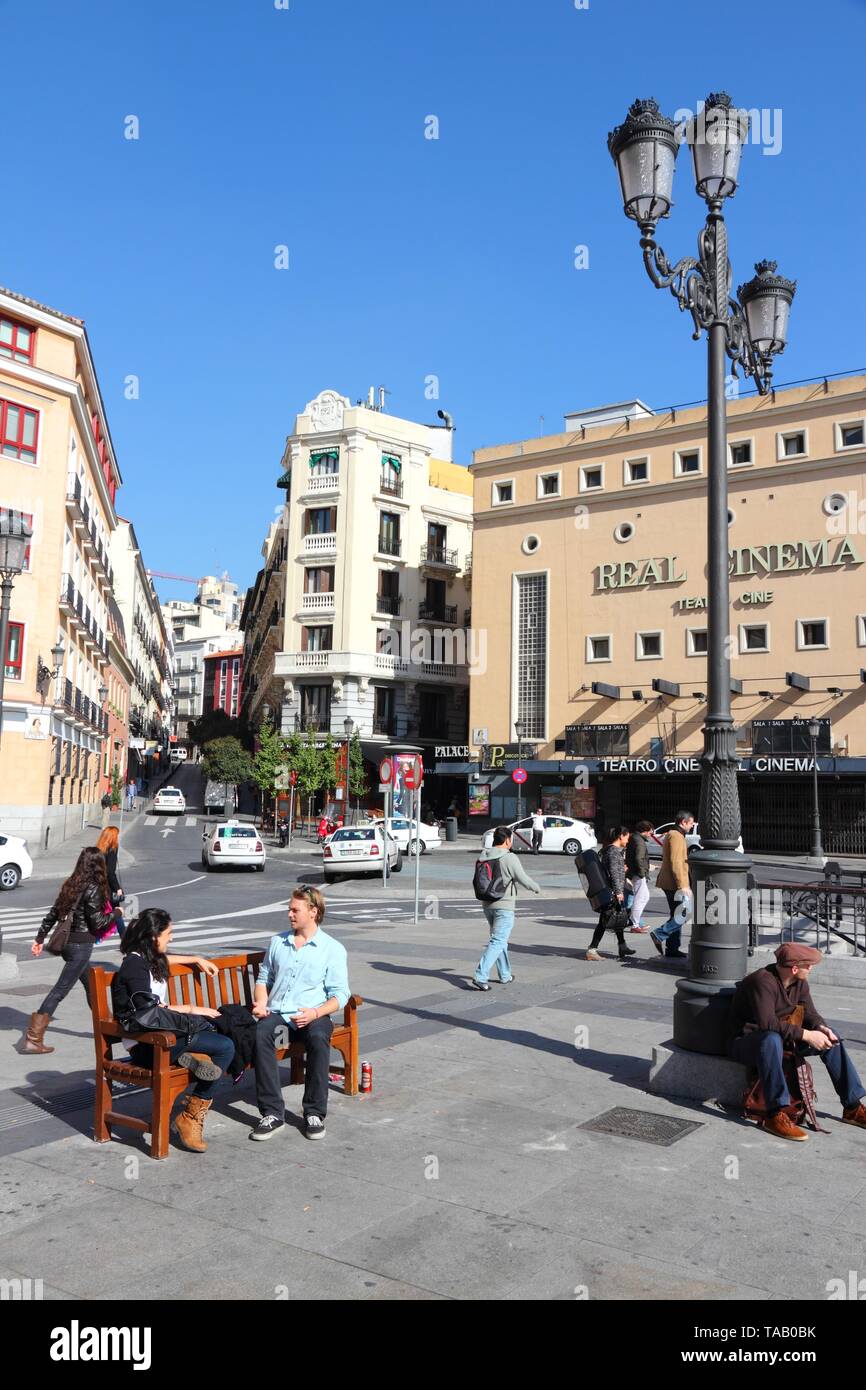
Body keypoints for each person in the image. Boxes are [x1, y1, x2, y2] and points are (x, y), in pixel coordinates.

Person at [112, 909, 233, 1153]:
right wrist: (192, 1010)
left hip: (164, 1037)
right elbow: (148, 1012)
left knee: (224, 1042)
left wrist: (195, 958)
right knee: (225, 1047)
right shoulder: (134, 966)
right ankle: (189, 1117)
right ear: (153, 936)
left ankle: (189, 1061)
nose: (171, 938)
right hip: (146, 1045)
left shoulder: (148, 957)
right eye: (169, 934)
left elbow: (166, 962)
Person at [727, 942, 866, 1142]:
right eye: (808, 965)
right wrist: (807, 1035)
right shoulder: (762, 982)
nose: (811, 969)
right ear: (794, 968)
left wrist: (820, 1028)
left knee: (831, 1036)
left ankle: (852, 1107)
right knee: (771, 1039)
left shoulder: (799, 982)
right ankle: (775, 1114)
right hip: (747, 1043)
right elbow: (767, 1024)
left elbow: (810, 1013)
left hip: (781, 1039)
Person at [249, 886, 349, 1142]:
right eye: (289, 909)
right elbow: (263, 978)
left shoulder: (332, 948)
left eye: (295, 910)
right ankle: (272, 1113)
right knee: (260, 1033)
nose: (289, 914)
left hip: (313, 1014)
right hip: (279, 1012)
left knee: (317, 1038)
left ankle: (314, 1113)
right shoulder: (278, 942)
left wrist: (316, 1012)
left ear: (313, 912)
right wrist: (261, 1003)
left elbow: (341, 995)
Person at [22, 848, 122, 1054]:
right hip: (80, 946)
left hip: (68, 945)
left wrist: (40, 938)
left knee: (91, 987)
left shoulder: (72, 884)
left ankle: (110, 1030)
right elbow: (97, 923)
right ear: (98, 866)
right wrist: (117, 912)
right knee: (60, 990)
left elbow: (52, 913)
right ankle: (33, 1037)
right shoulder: (94, 887)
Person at [469, 826, 541, 990]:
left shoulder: (484, 856)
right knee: (498, 940)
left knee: (500, 940)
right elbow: (522, 878)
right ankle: (481, 975)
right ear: (507, 840)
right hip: (504, 905)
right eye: (511, 839)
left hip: (487, 904)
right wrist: (537, 887)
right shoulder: (509, 857)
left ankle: (505, 975)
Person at [586, 826, 637, 962]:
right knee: (605, 921)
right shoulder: (614, 852)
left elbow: (614, 871)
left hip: (612, 890)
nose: (627, 840)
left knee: (617, 916)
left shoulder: (610, 851)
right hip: (614, 891)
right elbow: (614, 873)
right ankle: (592, 949)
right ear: (621, 836)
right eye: (627, 837)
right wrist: (619, 891)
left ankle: (622, 946)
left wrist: (623, 870)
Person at [651, 810, 694, 959]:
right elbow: (677, 862)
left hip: (670, 882)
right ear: (683, 822)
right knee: (685, 913)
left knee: (676, 914)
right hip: (674, 883)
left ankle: (672, 948)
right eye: (690, 823)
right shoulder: (676, 836)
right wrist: (683, 885)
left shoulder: (674, 834)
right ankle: (659, 933)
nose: (691, 826)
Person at [626, 820, 654, 933]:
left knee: (644, 896)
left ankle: (635, 922)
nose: (651, 835)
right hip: (638, 873)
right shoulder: (640, 842)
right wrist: (642, 873)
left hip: (635, 872)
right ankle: (635, 924)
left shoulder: (635, 838)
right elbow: (639, 858)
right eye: (651, 833)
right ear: (645, 831)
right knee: (640, 898)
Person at [96, 825, 124, 909]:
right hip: (108, 887)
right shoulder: (112, 849)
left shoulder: (98, 849)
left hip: (97, 886)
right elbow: (110, 872)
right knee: (115, 912)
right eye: (116, 836)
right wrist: (117, 888)